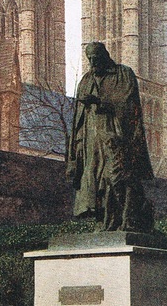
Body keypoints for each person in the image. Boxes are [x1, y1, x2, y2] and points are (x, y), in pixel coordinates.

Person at [66, 41, 154, 232]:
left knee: (117, 178)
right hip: (91, 139)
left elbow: (128, 103)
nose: (93, 63)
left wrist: (100, 102)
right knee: (95, 180)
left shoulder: (123, 74)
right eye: (90, 60)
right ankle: (104, 221)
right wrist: (76, 150)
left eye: (96, 59)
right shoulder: (86, 80)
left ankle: (131, 219)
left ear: (105, 56)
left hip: (116, 136)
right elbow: (77, 119)